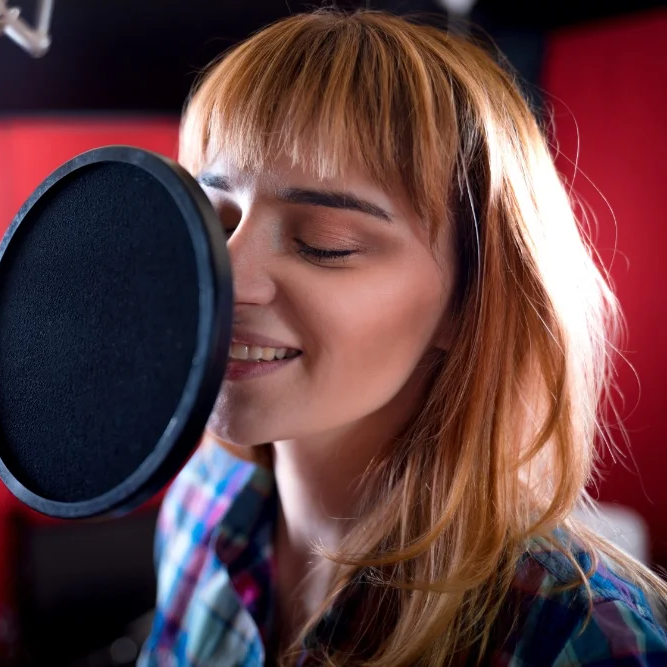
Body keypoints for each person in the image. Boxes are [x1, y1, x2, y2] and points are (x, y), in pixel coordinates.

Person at [138, 8, 667, 667]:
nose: (227, 278)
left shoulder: (579, 638)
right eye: (214, 219)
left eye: (325, 245)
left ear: (469, 302)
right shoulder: (199, 502)